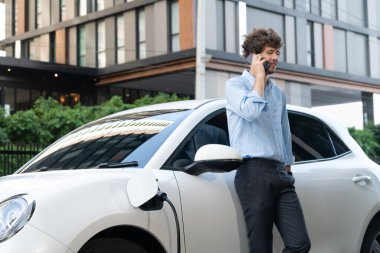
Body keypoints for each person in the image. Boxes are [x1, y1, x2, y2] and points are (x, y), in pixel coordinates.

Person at [225, 28, 311, 253]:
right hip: (253, 173)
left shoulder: (278, 93)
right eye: (270, 52)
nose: (276, 58)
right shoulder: (234, 86)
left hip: (281, 174)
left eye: (277, 53)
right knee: (261, 247)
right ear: (255, 56)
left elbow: (283, 132)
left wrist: (288, 169)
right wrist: (260, 78)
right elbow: (251, 112)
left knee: (300, 243)